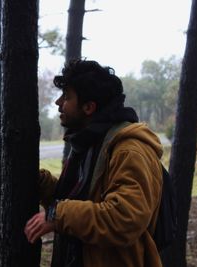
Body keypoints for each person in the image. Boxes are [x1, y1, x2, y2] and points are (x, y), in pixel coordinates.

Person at [25, 59, 163, 267]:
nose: (58, 103)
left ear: (88, 107)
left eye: (67, 97)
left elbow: (124, 218)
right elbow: (81, 201)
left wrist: (57, 215)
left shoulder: (129, 150)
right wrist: (43, 185)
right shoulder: (91, 142)